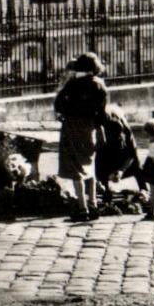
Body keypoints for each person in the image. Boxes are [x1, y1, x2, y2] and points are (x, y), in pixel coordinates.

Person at [54, 52, 108, 223]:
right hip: (90, 126)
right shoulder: (100, 85)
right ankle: (93, 205)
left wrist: (64, 114)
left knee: (76, 167)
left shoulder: (73, 84)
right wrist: (100, 129)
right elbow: (102, 111)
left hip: (72, 126)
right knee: (89, 165)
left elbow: (59, 102)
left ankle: (82, 207)